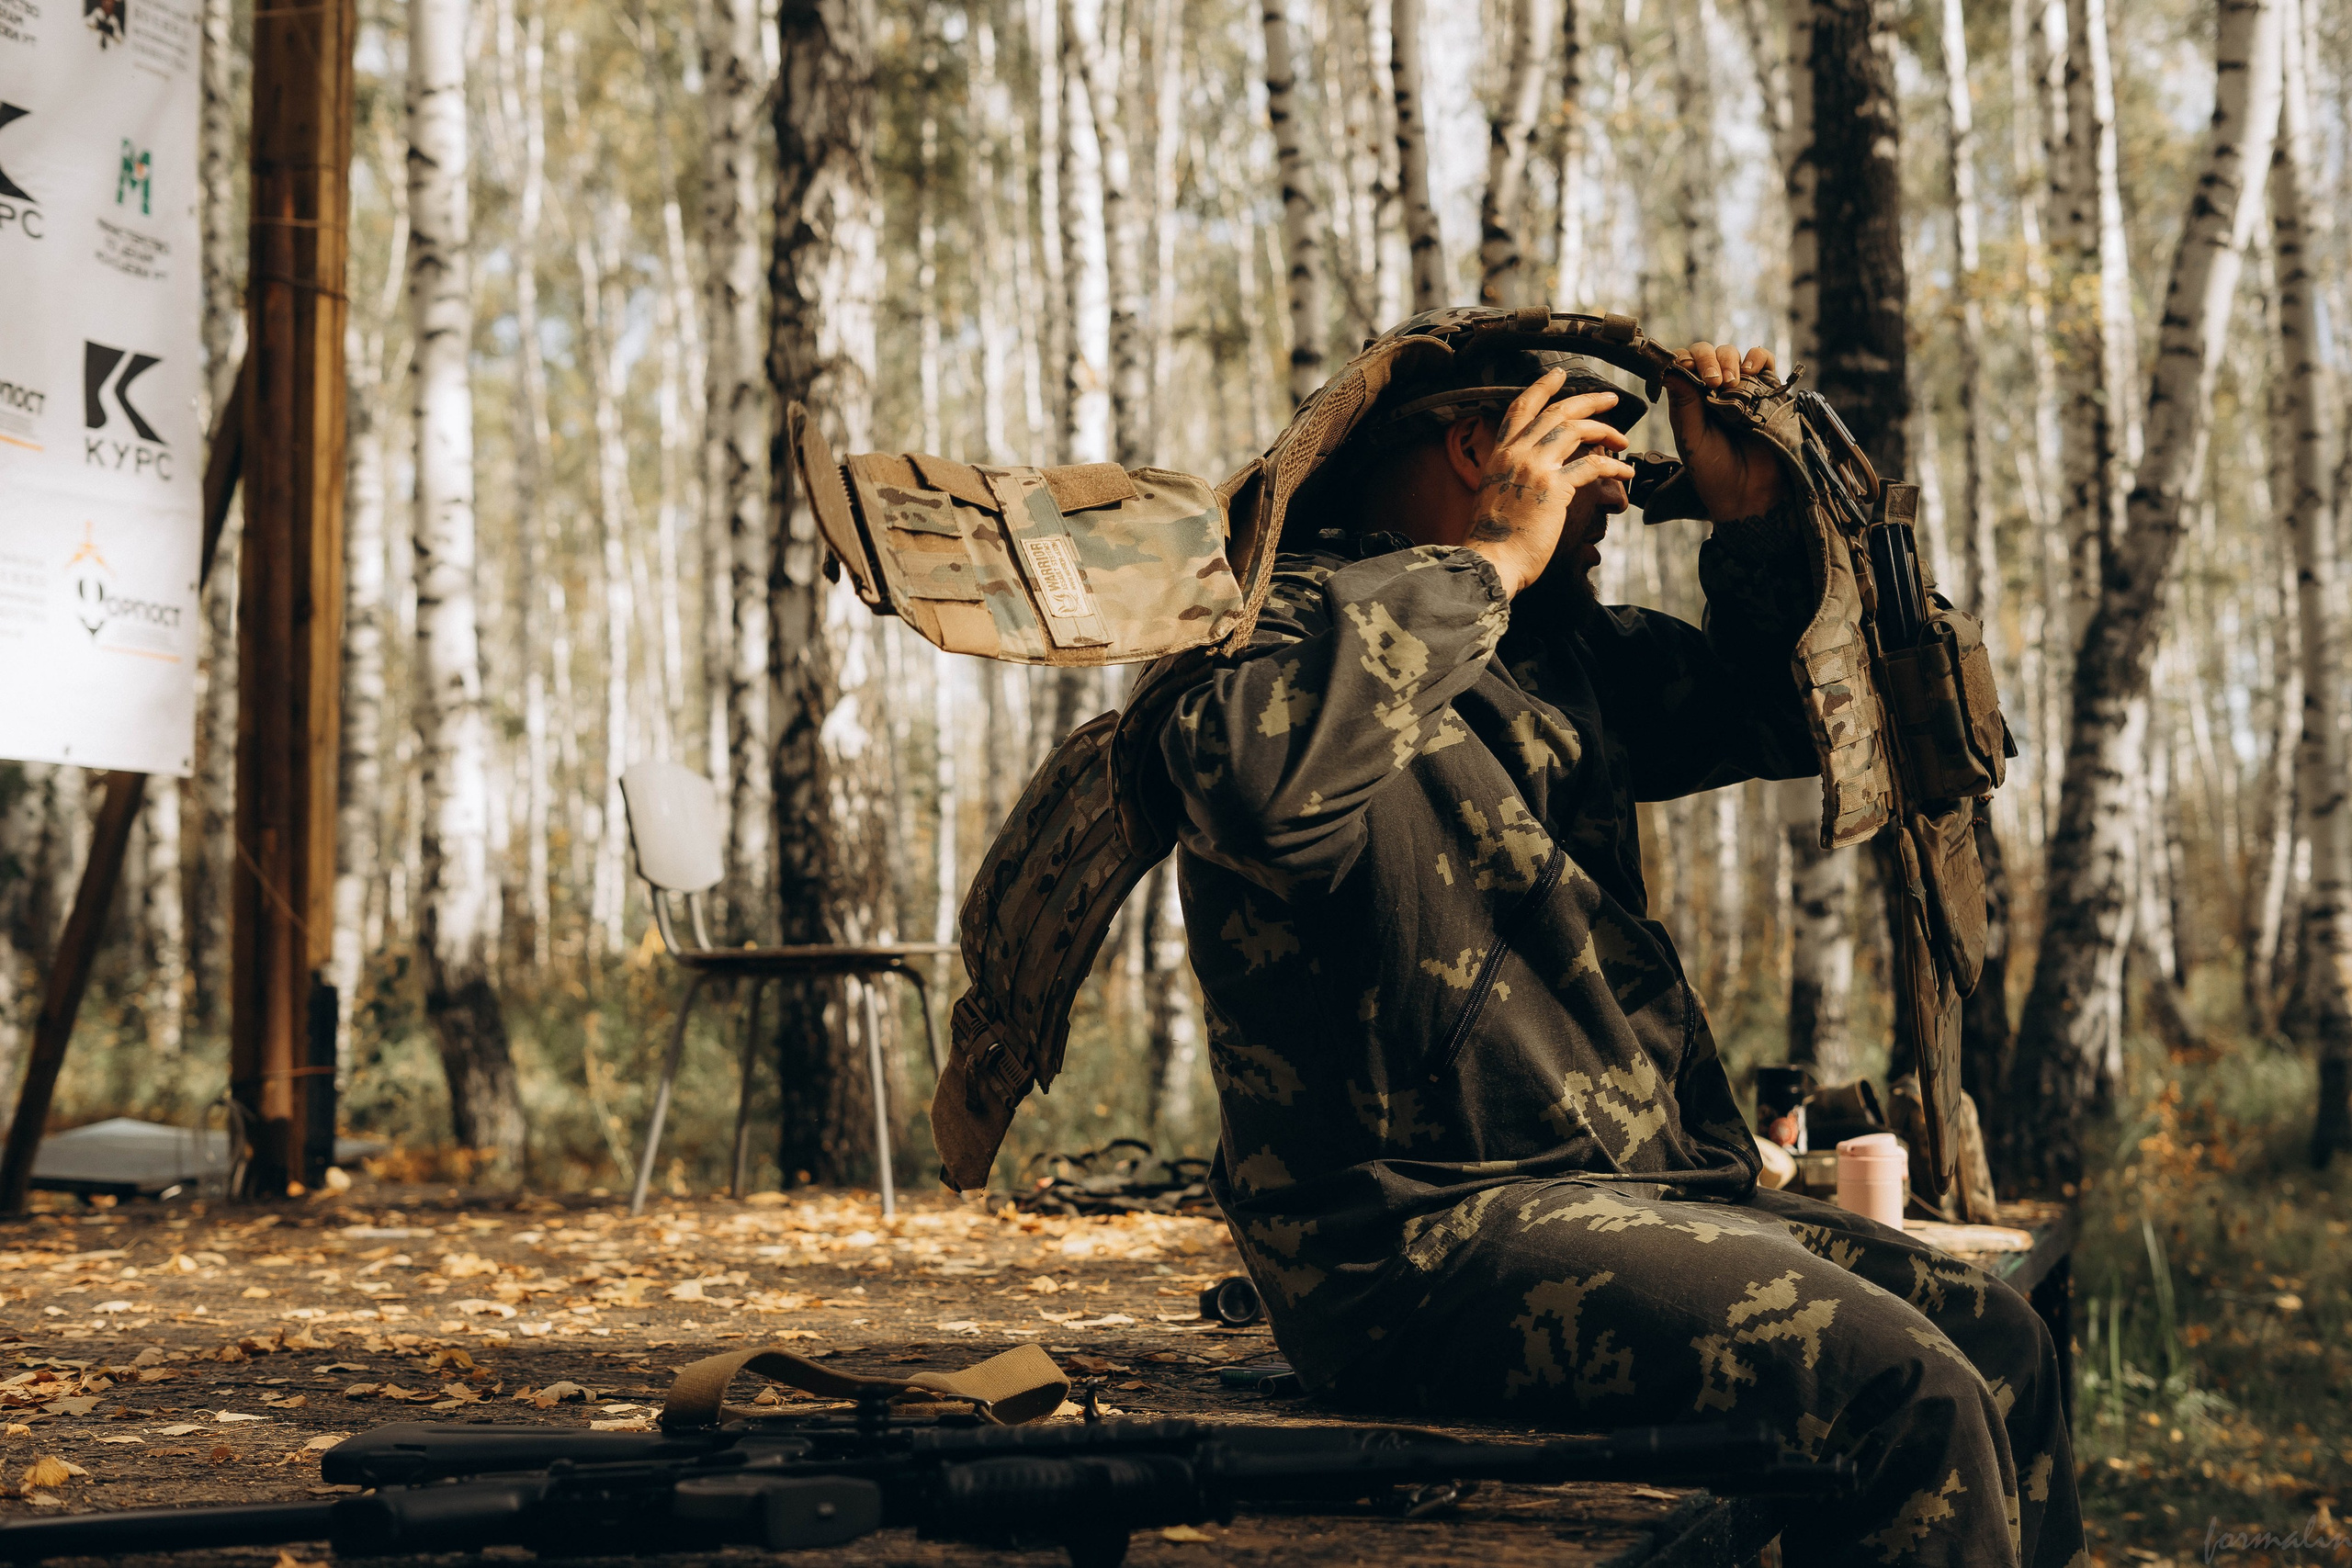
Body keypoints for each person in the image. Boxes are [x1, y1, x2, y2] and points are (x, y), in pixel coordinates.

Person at [1146, 320, 2086, 1567]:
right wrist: (1487, 562)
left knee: (2001, 1346)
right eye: (1600, 464)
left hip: (1616, 1197)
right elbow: (1263, 787)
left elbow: (1792, 714)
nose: (1621, 507)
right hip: (1411, 1239)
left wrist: (1751, 526)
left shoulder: (1554, 649)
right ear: (1487, 448)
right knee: (1900, 1399)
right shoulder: (1271, 620)